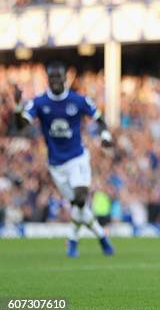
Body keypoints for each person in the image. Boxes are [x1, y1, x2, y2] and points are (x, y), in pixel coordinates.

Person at [11, 62, 115, 258]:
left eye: (59, 77)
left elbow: (99, 118)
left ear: (66, 78)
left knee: (81, 196)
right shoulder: (40, 103)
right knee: (79, 205)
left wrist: (105, 136)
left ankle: (73, 242)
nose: (56, 81)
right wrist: (17, 106)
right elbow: (21, 125)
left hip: (77, 158)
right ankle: (100, 237)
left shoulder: (78, 100)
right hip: (56, 165)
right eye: (52, 78)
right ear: (48, 80)